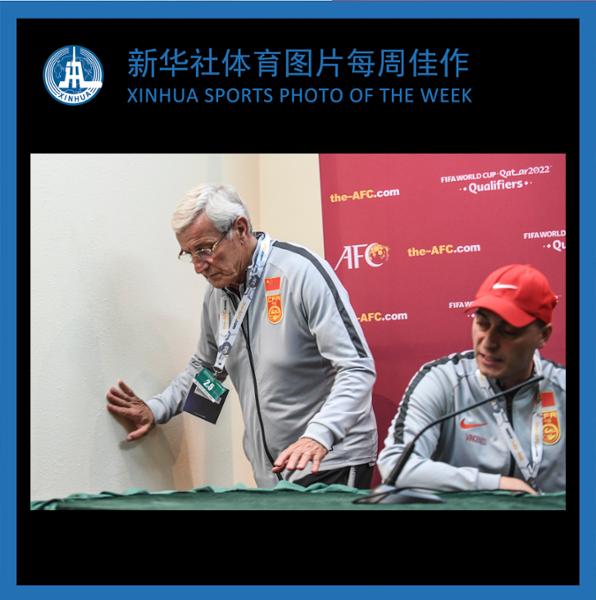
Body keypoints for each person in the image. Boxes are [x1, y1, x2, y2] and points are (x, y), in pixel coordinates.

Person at [106, 183, 377, 488]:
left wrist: (319, 435)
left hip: (329, 459)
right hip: (273, 471)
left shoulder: (300, 273)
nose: (198, 267)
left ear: (240, 229)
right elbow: (206, 368)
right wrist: (155, 409)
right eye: (189, 254)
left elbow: (357, 368)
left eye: (204, 249)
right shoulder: (217, 296)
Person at [377, 264, 565, 494]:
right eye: (482, 323)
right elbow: (395, 466)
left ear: (543, 335)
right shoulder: (443, 380)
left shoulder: (563, 387)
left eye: (508, 331)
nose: (489, 342)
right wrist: (497, 484)